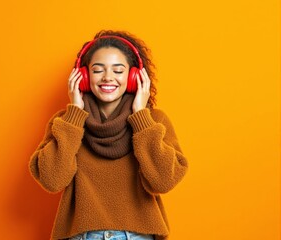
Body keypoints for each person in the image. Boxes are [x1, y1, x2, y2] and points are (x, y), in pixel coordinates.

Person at [29, 30, 188, 240]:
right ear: (83, 77)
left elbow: (163, 181)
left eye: (118, 70)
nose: (107, 77)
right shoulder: (67, 122)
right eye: (97, 70)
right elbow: (52, 180)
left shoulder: (153, 121)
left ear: (134, 77)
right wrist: (75, 113)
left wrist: (140, 116)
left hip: (138, 237)